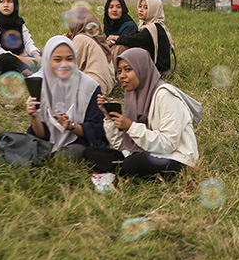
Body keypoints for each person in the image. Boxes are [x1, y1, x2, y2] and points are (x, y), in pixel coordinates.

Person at [83, 48, 200, 178]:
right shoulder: (133, 95)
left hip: (175, 159)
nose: (121, 76)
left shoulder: (165, 95)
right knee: (91, 153)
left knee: (133, 163)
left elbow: (168, 144)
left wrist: (130, 127)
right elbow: (123, 146)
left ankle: (121, 170)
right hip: (143, 154)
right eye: (119, 71)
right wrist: (110, 118)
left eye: (128, 69)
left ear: (142, 69)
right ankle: (123, 170)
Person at [25, 36, 108, 160]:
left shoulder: (89, 87)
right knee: (3, 143)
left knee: (70, 154)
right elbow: (41, 135)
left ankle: (47, 157)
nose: (64, 64)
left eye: (70, 59)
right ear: (47, 61)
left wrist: (71, 126)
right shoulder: (38, 83)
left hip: (77, 142)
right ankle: (46, 156)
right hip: (46, 143)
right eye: (57, 60)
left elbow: (96, 130)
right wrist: (34, 117)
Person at [64, 5, 117, 95]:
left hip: (94, 85)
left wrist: (64, 47)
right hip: (105, 84)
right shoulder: (96, 37)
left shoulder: (80, 39)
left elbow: (71, 67)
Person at [116, 0, 174, 75]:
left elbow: (135, 40)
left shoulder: (155, 27)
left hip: (157, 70)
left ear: (154, 10)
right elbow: (132, 35)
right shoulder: (145, 25)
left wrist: (117, 39)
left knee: (121, 47)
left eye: (146, 8)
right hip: (149, 65)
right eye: (140, 6)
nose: (141, 10)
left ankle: (114, 72)